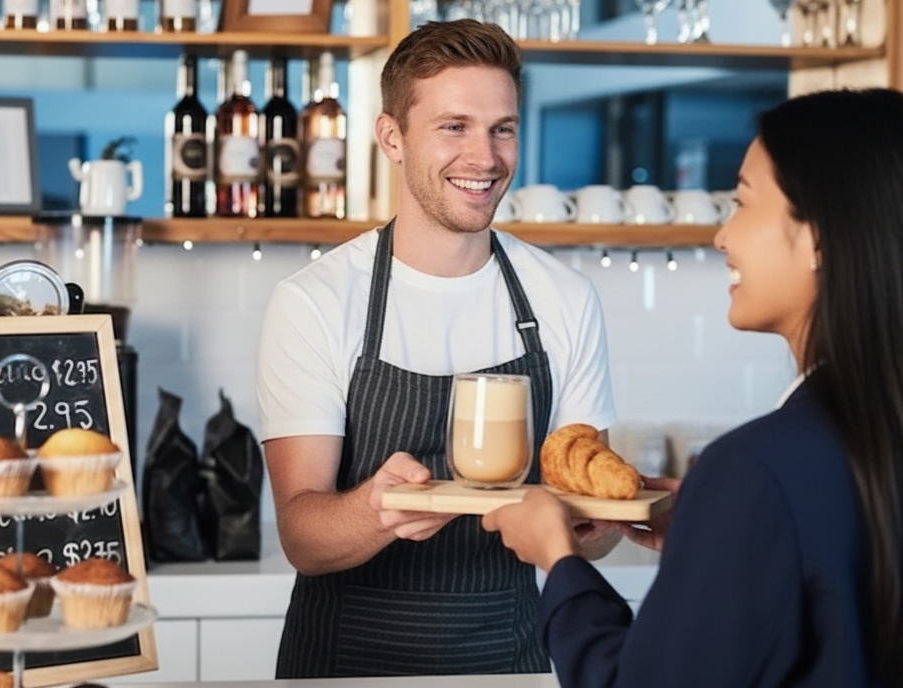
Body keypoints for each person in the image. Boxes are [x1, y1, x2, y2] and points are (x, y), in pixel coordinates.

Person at [482, 87, 903, 688]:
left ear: (818, 239)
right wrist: (719, 532)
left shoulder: (756, 470)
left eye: (742, 203)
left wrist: (559, 559)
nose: (722, 236)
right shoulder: (853, 443)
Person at [256, 19, 618, 678]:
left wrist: (600, 526)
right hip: (345, 661)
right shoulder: (315, 300)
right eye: (454, 127)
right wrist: (376, 511)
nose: (484, 157)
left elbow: (583, 506)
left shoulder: (562, 298)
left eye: (501, 128)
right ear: (391, 137)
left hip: (514, 659)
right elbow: (302, 537)